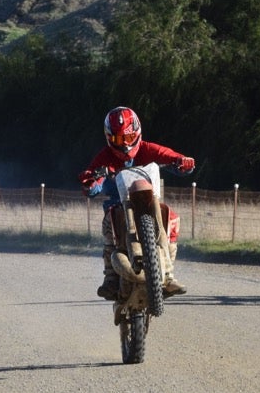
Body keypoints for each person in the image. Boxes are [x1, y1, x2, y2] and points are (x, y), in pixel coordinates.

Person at [79, 106, 195, 300]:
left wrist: (183, 161)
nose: (125, 145)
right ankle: (110, 279)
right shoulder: (104, 156)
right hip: (118, 205)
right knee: (109, 224)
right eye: (118, 140)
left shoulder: (148, 149)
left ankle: (168, 276)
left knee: (172, 219)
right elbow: (92, 185)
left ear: (138, 133)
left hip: (150, 202)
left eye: (129, 138)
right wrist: (90, 181)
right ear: (109, 138)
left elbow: (170, 156)